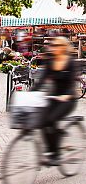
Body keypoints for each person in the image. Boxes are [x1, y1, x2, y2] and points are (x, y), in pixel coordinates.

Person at [33, 36, 78, 165]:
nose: (54, 48)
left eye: (57, 46)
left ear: (63, 47)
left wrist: (66, 95)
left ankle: (56, 154)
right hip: (54, 97)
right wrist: (30, 94)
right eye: (53, 46)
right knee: (42, 121)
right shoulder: (50, 61)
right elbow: (41, 81)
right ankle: (50, 151)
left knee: (51, 119)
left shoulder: (70, 62)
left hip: (68, 99)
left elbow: (71, 83)